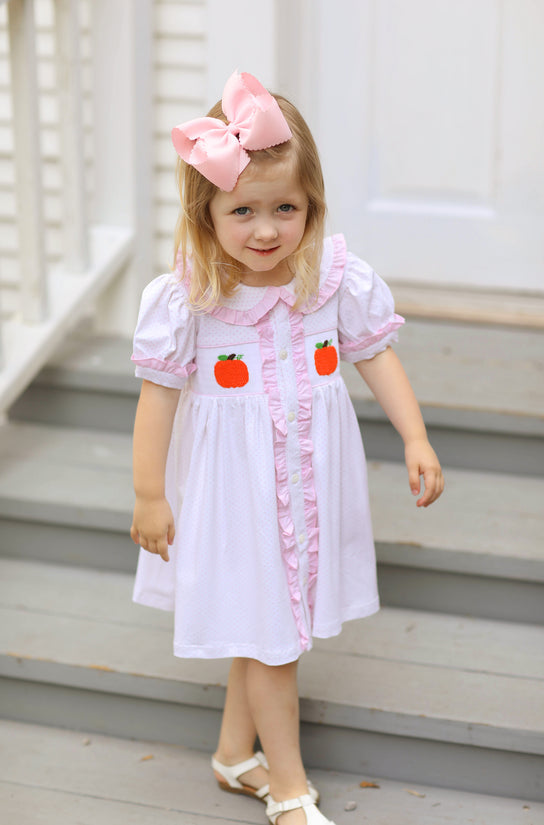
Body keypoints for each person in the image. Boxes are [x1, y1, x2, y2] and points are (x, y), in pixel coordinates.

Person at [130, 71, 444, 825]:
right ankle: (290, 788)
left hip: (306, 483)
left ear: (314, 207)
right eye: (242, 210)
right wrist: (149, 493)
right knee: (273, 635)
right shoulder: (191, 296)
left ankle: (237, 754)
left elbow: (377, 354)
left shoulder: (330, 280)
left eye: (286, 209)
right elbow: (157, 400)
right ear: (206, 214)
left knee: (267, 618)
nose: (266, 230)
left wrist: (416, 435)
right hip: (234, 492)